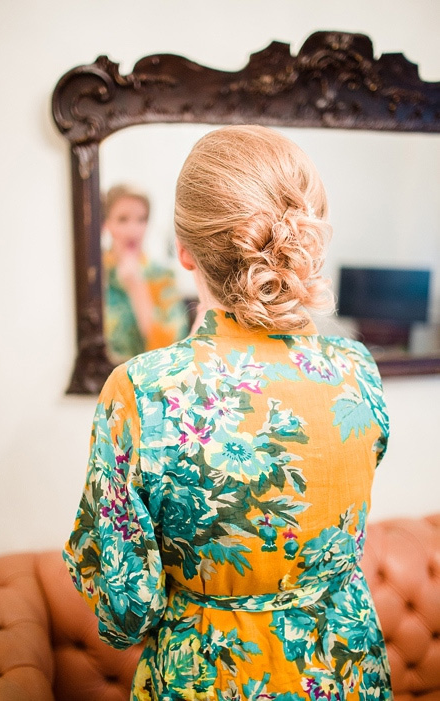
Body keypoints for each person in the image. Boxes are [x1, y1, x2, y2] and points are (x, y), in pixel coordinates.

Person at [64, 126, 392, 699]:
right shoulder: (355, 369)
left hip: (213, 680)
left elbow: (125, 611)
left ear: (186, 249)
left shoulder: (144, 394)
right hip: (347, 673)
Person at [102, 184, 189, 360]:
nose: (134, 230)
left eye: (141, 219)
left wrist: (137, 288)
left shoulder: (162, 276)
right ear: (106, 224)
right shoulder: (96, 274)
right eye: (122, 219)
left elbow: (174, 350)